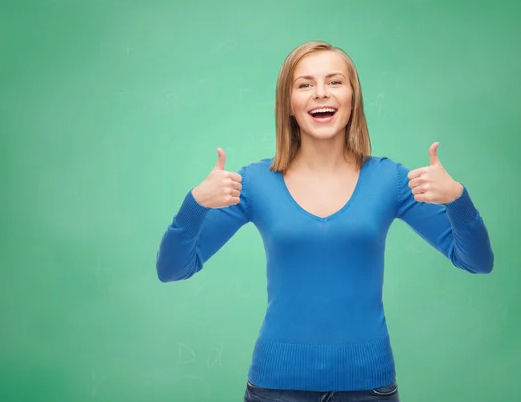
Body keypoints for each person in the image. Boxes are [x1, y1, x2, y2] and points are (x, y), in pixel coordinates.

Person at [156, 41, 494, 402]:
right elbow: (173, 268)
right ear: (288, 103)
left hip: (370, 388)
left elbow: (476, 261)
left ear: (353, 97)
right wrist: (195, 203)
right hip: (275, 388)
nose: (320, 93)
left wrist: (457, 197)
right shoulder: (254, 183)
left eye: (334, 82)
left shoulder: (390, 180)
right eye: (304, 84)